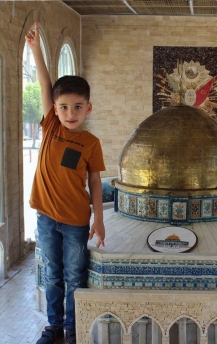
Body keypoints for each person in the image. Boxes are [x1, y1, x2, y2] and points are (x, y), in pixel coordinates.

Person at [27, 23, 107, 344]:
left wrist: (98, 219)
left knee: (75, 277)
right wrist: (35, 50)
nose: (69, 113)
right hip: (46, 218)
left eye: (77, 107)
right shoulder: (51, 128)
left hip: (75, 221)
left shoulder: (90, 142)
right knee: (53, 275)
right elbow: (47, 84)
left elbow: (96, 182)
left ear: (88, 108)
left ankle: (74, 329)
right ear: (55, 109)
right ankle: (54, 326)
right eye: (63, 107)